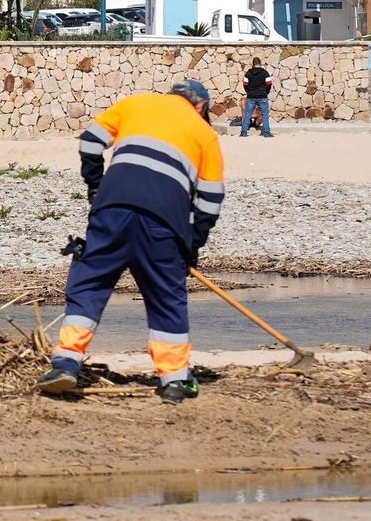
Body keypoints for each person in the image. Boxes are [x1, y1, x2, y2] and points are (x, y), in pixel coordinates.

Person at [37, 80, 226, 404]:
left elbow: (91, 142)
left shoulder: (135, 104)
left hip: (111, 210)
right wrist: (191, 246)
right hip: (165, 224)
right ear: (200, 107)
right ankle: (176, 381)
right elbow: (210, 201)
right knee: (166, 297)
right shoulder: (205, 134)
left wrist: (96, 186)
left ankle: (65, 362)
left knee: (90, 283)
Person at [240, 58, 273, 138]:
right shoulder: (265, 73)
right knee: (264, 115)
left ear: (252, 64)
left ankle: (243, 132)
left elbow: (245, 84)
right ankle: (267, 133)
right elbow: (269, 84)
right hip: (262, 95)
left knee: (247, 114)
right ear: (260, 63)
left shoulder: (248, 74)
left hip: (251, 95)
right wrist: (266, 92)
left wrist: (249, 92)